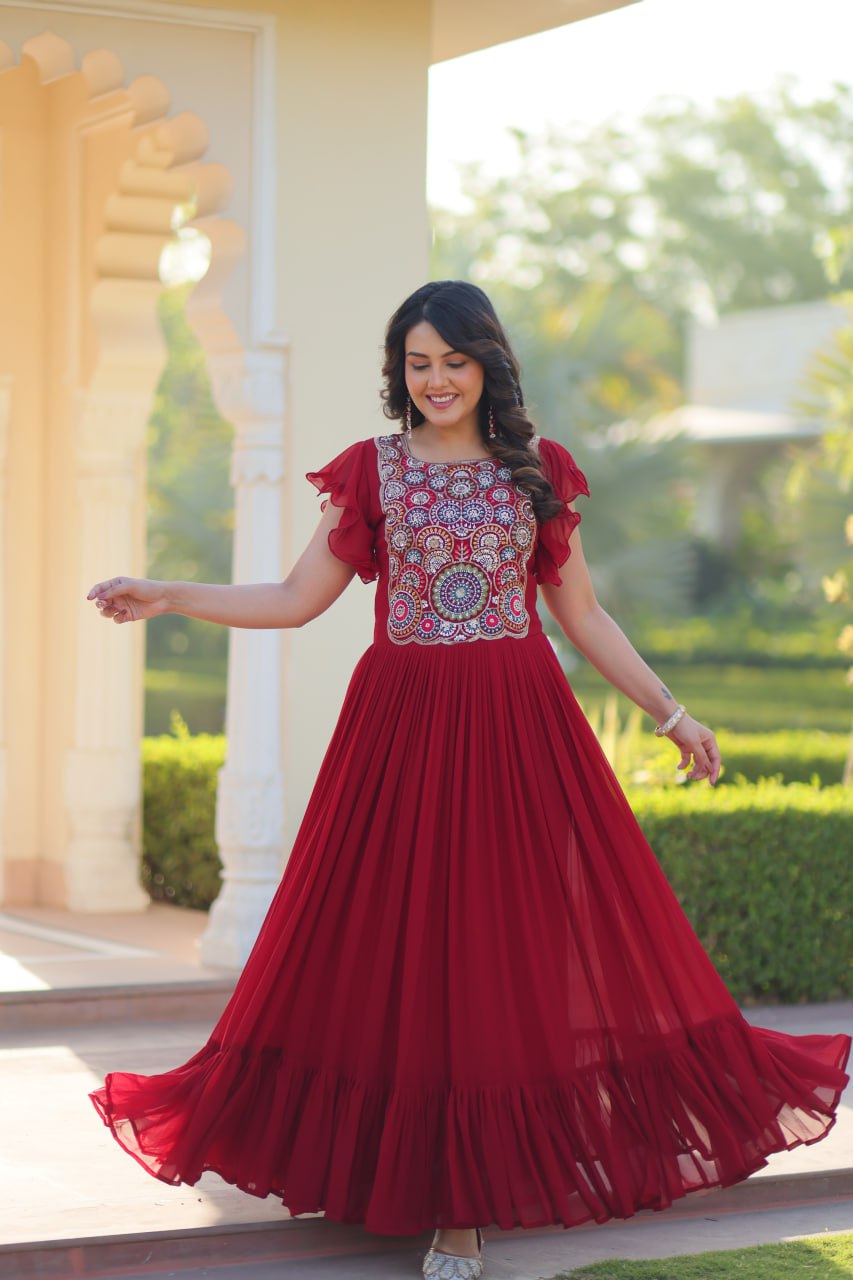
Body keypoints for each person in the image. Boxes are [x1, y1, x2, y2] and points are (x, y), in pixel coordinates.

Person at [88, 280, 850, 1280]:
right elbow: (294, 596)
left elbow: (582, 615)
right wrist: (170, 593)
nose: (436, 380)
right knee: (392, 947)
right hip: (399, 737)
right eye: (417, 363)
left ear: (487, 363)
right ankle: (402, 1175)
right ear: (397, 372)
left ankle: (463, 1211)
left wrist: (673, 713)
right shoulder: (371, 471)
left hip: (517, 734)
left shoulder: (538, 472)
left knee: (494, 950)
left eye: (453, 360)